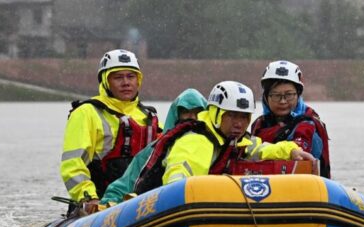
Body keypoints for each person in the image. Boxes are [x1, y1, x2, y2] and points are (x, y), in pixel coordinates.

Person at [133, 81, 316, 194]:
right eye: (232, 115)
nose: (239, 123)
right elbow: (179, 175)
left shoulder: (235, 139)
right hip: (158, 206)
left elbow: (261, 149)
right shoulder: (196, 140)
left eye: (244, 117)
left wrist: (291, 150)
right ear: (216, 114)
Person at [60, 49, 160, 214]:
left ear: (138, 80)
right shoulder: (86, 113)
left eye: (131, 76)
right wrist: (88, 197)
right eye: (118, 77)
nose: (126, 82)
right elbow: (73, 163)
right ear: (106, 81)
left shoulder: (148, 115)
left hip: (139, 203)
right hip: (99, 203)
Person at [99, 88, 208, 206]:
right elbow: (122, 187)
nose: (191, 117)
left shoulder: (220, 148)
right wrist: (106, 207)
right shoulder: (154, 151)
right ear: (176, 115)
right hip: (160, 210)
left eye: (197, 112)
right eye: (185, 112)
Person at [250, 60, 332, 178]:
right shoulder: (259, 124)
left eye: (289, 95)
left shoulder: (308, 123)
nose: (283, 101)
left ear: (298, 95)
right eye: (276, 95)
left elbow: (301, 149)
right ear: (266, 97)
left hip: (303, 185)